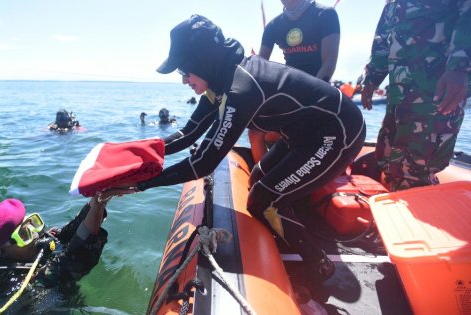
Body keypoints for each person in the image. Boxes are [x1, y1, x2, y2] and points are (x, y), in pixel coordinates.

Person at [128, 15, 366, 281]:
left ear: (201, 61)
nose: (184, 80)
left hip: (337, 133)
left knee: (262, 200)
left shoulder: (241, 88)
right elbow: (188, 133)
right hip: (302, 134)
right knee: (258, 178)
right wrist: (134, 153)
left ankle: (319, 264)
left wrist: (140, 184)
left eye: (184, 71)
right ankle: (289, 228)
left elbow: (203, 163)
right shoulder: (220, 79)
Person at [361, 0, 469, 191]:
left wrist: (460, 67)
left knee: (417, 167)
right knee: (389, 159)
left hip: (434, 93)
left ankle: (422, 209)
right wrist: (371, 79)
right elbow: (383, 38)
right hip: (398, 95)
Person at [0, 192, 116, 312]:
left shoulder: (25, 248)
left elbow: (65, 235)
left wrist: (99, 195)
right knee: (53, 297)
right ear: (2, 252)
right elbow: (72, 262)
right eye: (24, 234)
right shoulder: (17, 284)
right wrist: (98, 205)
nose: (35, 235)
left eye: (32, 224)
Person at [254, 0, 341, 163]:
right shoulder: (273, 26)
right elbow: (260, 67)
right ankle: (262, 177)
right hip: (289, 92)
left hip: (318, 93)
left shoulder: (326, 14)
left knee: (302, 130)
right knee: (255, 131)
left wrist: (310, 101)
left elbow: (329, 62)